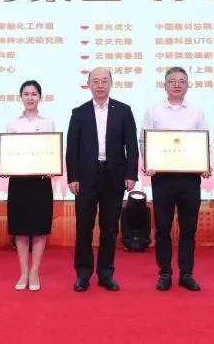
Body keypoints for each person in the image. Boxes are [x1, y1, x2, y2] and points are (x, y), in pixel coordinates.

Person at [66, 67, 139, 292]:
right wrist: (73, 177)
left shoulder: (124, 111)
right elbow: (72, 148)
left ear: (111, 83)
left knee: (109, 228)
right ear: (88, 84)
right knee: (84, 226)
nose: (100, 85)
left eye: (104, 81)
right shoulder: (79, 112)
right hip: (86, 176)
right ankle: (83, 274)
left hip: (114, 175)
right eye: (95, 81)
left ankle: (106, 274)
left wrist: (131, 174)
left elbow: (132, 146)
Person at [141, 67, 208, 292]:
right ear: (165, 85)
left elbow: (204, 141)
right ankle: (165, 273)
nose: (177, 85)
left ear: (188, 85)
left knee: (188, 229)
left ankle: (186, 274)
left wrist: (205, 164)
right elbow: (144, 141)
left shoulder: (197, 112)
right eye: (172, 81)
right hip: (163, 178)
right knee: (163, 228)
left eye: (181, 81)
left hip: (190, 178)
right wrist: (148, 162)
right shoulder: (153, 111)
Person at [5, 80, 55, 292]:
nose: (30, 97)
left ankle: (35, 270)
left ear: (40, 97)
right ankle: (23, 271)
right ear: (21, 97)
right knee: (21, 229)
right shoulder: (12, 123)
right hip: (18, 181)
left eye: (34, 94)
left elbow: (52, 150)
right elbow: (7, 152)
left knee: (40, 227)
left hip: (41, 181)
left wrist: (52, 165)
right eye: (26, 94)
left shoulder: (48, 122)